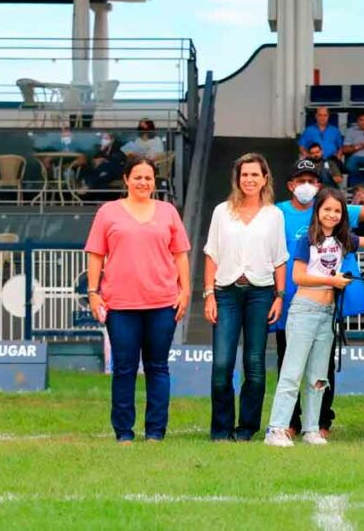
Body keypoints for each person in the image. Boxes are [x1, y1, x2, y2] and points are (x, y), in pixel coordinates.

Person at [265, 189, 364, 447]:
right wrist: (331, 281)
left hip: (327, 314)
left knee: (318, 376)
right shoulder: (306, 240)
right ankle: (276, 429)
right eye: (327, 209)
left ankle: (311, 429)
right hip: (304, 310)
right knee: (292, 372)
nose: (332, 214)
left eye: (337, 210)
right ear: (318, 211)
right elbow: (298, 277)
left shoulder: (344, 240)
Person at [84, 156, 191, 444]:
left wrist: (186, 290)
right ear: (126, 179)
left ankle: (156, 431)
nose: (143, 182)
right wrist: (93, 293)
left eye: (148, 178)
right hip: (120, 305)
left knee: (158, 367)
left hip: (162, 303)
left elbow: (180, 254)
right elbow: (95, 254)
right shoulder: (108, 212)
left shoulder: (168, 212)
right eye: (138, 177)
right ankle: (124, 432)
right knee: (124, 369)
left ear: (154, 181)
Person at [203, 153, 288, 442]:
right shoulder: (221, 212)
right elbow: (211, 254)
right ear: (237, 179)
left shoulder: (274, 215)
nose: (249, 180)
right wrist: (209, 295)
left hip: (261, 294)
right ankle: (221, 429)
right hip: (225, 293)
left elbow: (280, 259)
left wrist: (279, 296)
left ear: (265, 179)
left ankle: (247, 427)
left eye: (255, 174)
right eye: (244, 175)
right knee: (222, 364)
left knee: (254, 364)